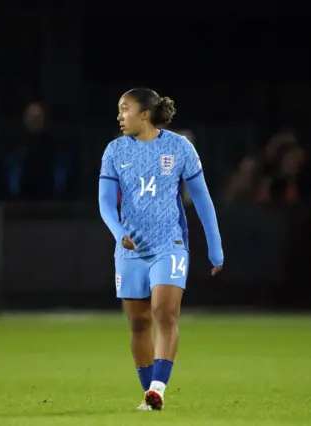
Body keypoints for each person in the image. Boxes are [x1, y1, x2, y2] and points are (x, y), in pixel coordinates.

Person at [98, 88, 223, 411]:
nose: (119, 116)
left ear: (144, 113)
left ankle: (158, 387)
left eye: (124, 109)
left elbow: (202, 200)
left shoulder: (180, 148)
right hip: (129, 250)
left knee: (163, 313)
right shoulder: (114, 150)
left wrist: (216, 248)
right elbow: (105, 204)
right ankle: (149, 398)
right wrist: (119, 233)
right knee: (138, 323)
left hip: (170, 245)